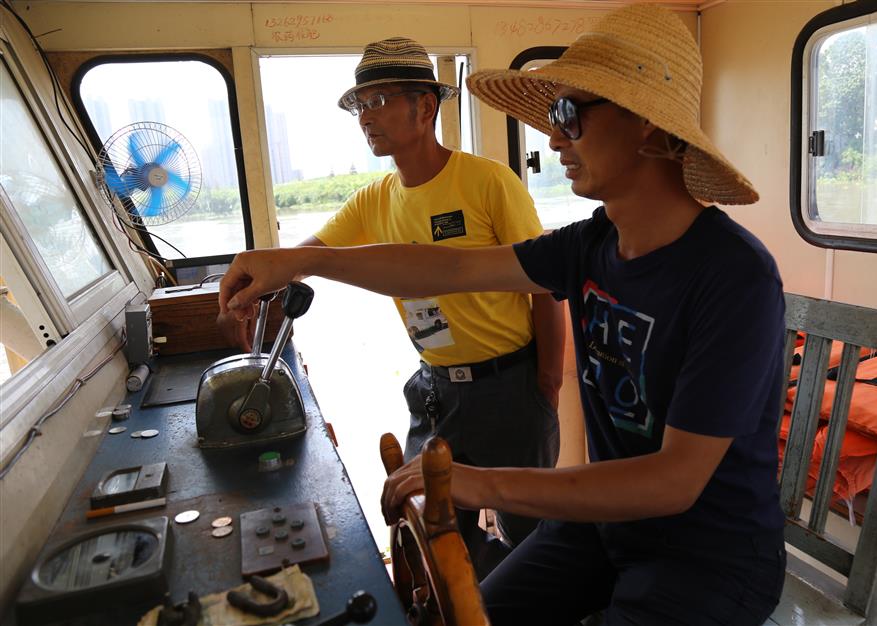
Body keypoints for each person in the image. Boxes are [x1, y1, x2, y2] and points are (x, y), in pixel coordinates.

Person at [218, 5, 786, 624]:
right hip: (609, 530)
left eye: (569, 114)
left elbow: (673, 482)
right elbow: (451, 269)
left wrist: (484, 481)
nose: (553, 138)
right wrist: (292, 262)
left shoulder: (733, 276)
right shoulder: (592, 244)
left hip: (706, 556)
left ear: (648, 128)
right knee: (465, 617)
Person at [220, 36, 564, 579]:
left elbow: (545, 284)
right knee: (439, 531)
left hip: (509, 385)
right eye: (360, 104)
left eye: (378, 101)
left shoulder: (487, 181)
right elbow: (307, 257)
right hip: (435, 388)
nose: (365, 117)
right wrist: (256, 281)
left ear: (424, 107)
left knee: (533, 536)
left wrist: (546, 381)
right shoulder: (374, 199)